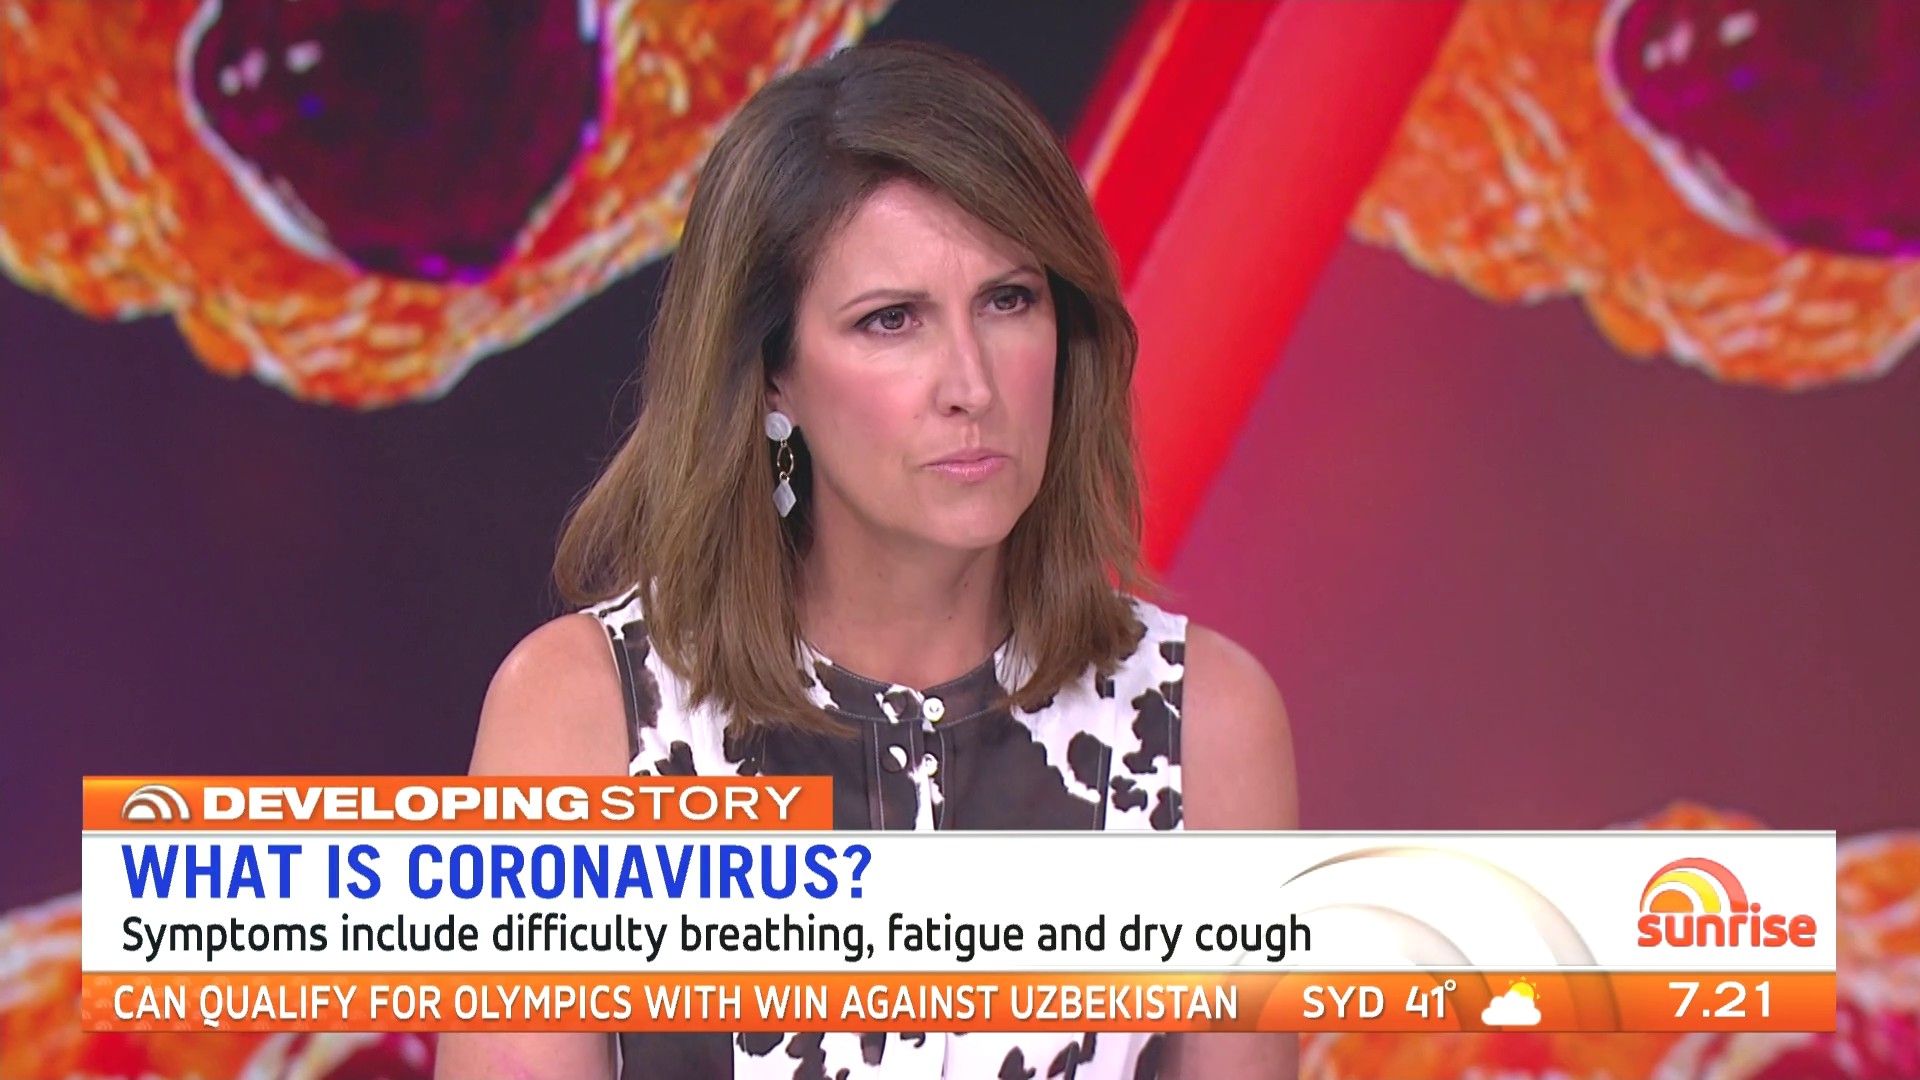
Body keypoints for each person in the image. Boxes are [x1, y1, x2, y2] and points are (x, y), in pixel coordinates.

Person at [437, 41, 1297, 1080]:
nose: (971, 384)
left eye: (1009, 301)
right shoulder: (583, 715)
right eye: (892, 321)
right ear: (772, 378)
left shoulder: (1205, 725)